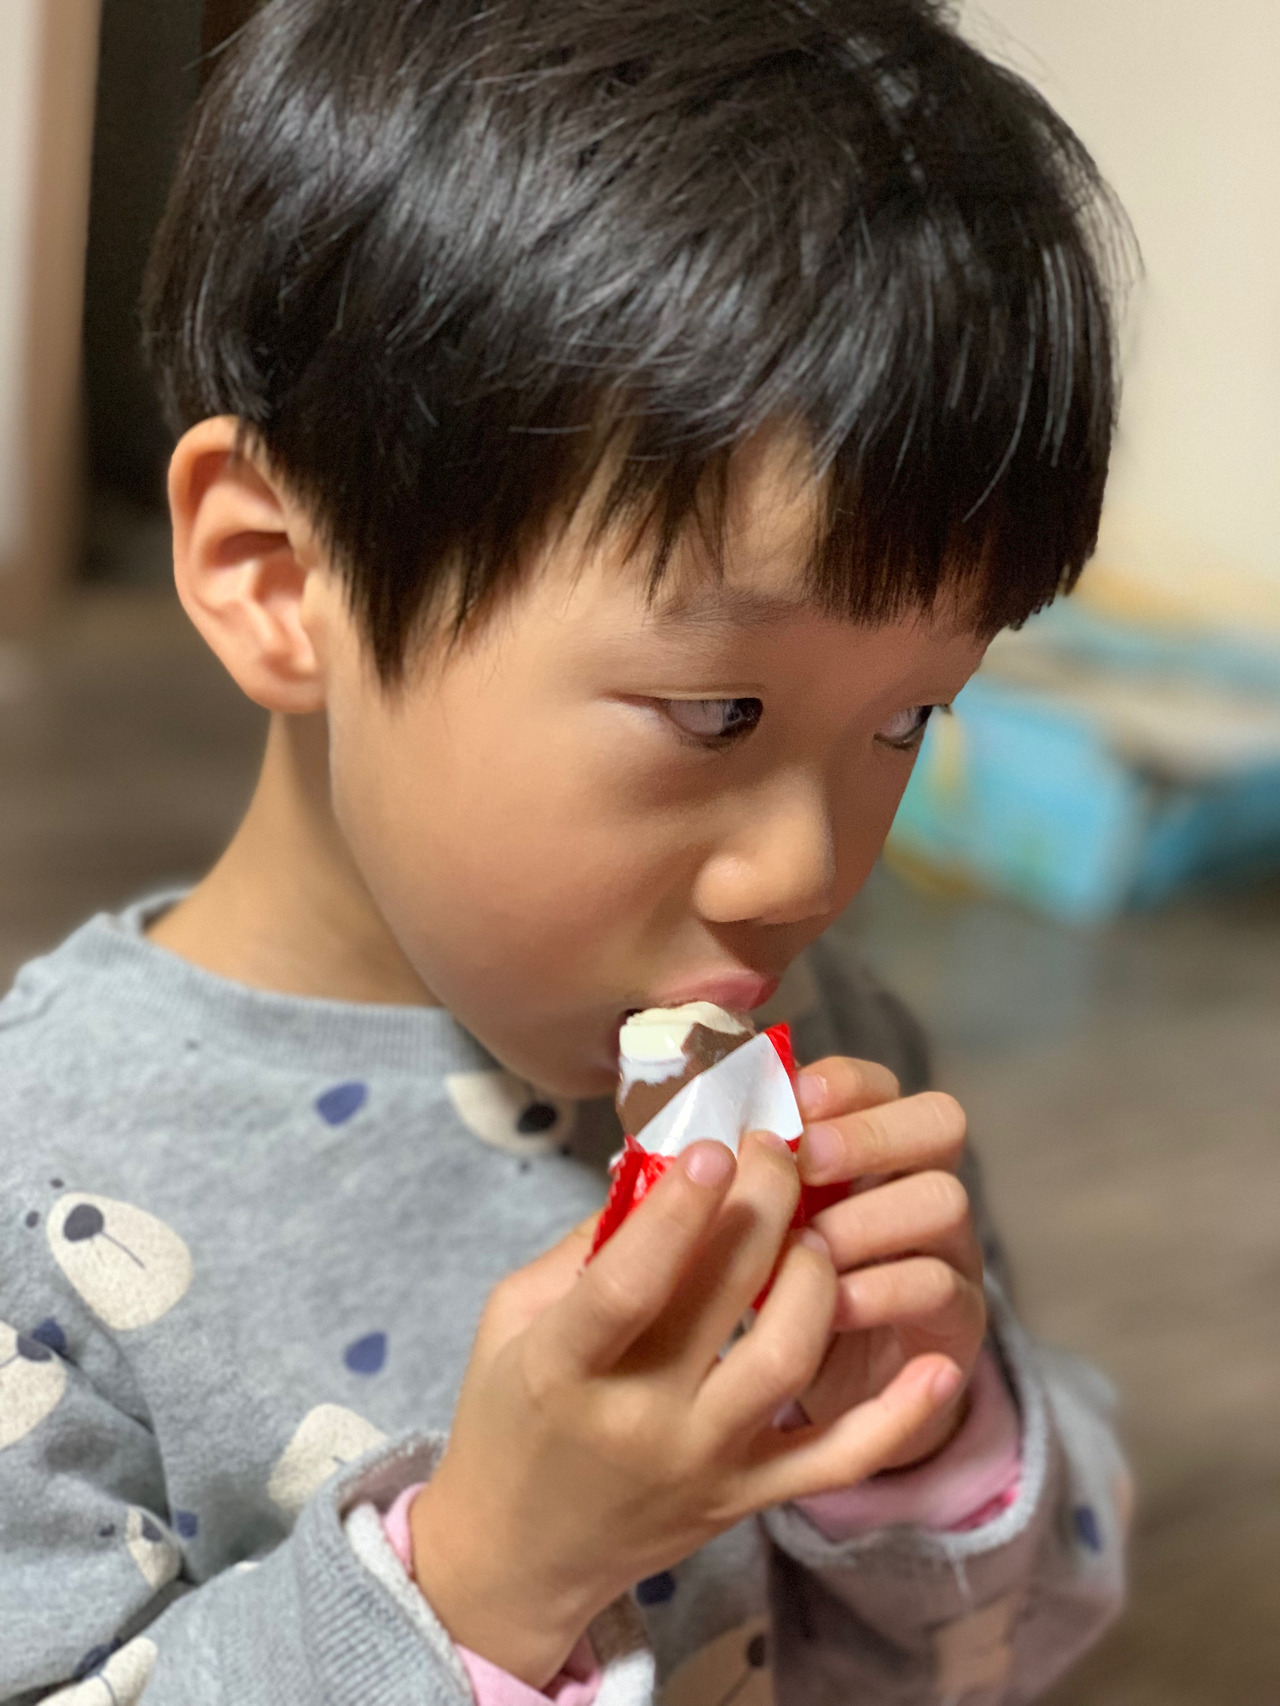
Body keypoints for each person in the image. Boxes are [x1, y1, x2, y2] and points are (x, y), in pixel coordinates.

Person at [0, 1, 1132, 1700]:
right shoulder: (39, 1197)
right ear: (278, 580)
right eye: (717, 710)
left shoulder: (827, 1038)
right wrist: (479, 1584)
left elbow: (973, 1666)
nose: (803, 873)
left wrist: (924, 1444)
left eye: (908, 717)